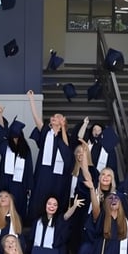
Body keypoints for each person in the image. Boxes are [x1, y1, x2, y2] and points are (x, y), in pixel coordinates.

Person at [29, 90, 72, 221]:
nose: (55, 117)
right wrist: (31, 99)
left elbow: (66, 146)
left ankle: (54, 220)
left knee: (54, 195)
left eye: (59, 117)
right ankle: (36, 220)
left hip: (56, 173)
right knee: (39, 195)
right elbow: (36, 118)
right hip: (43, 170)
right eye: (54, 116)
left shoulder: (62, 137)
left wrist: (62, 128)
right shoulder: (46, 132)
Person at [0, 103, 32, 220]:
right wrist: (0, 115)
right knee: (5, 204)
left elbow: (29, 168)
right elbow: (0, 133)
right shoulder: (5, 145)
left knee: (19, 205)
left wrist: (29, 186)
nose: (15, 139)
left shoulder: (25, 150)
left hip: (20, 183)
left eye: (17, 137)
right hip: (6, 181)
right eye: (13, 136)